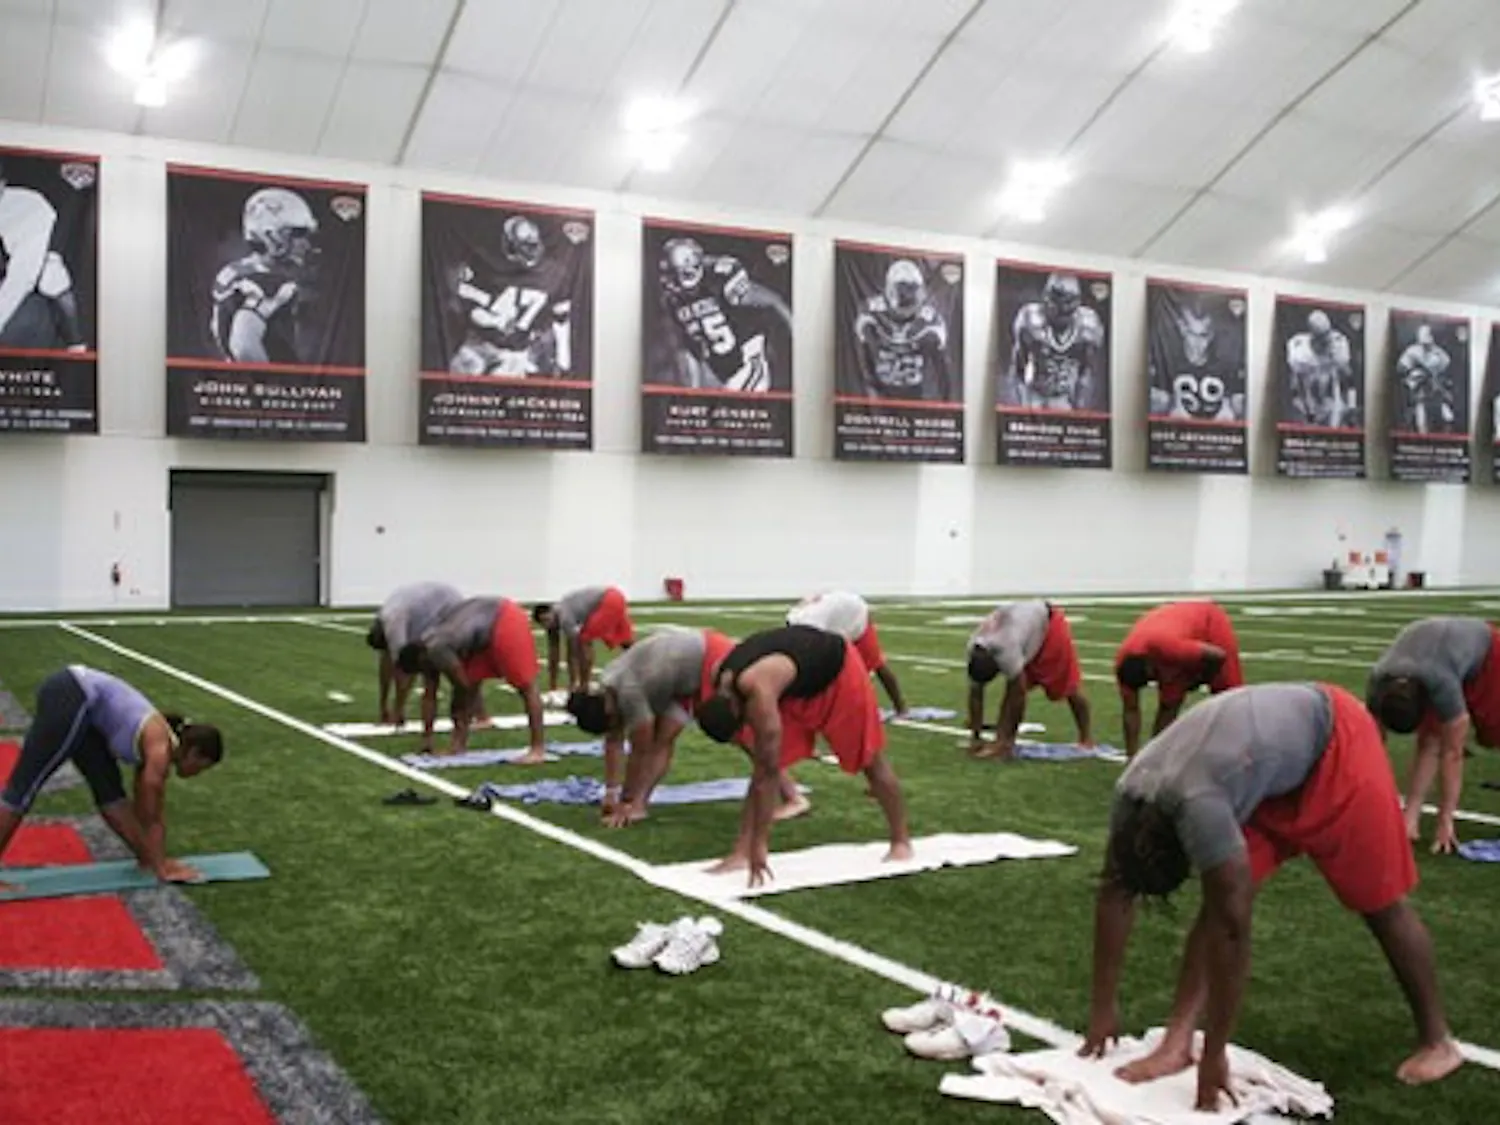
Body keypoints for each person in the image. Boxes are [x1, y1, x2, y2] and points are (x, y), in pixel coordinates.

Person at [1081, 682, 1464, 1108]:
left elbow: (1233, 929)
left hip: (1338, 745)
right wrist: (1102, 1008)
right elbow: (1113, 892)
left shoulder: (1200, 804)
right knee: (1216, 905)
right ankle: (1177, 1041)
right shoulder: (1130, 791)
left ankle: (1438, 1040)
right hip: (1263, 769)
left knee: (1381, 904)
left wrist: (1216, 1057)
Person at [694, 625, 913, 887]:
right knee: (762, 765)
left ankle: (901, 841)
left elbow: (769, 772)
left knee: (870, 760)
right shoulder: (723, 677)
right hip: (795, 683)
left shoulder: (758, 689)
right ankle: (741, 851)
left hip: (838, 671)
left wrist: (761, 846)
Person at [0, 666, 224, 892]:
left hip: (88, 714)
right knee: (22, 789)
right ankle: (154, 862)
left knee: (111, 794)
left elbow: (140, 808)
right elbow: (152, 817)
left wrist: (153, 859)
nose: (198, 773)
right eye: (202, 767)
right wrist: (163, 866)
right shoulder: (159, 748)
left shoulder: (154, 747)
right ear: (194, 753)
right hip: (72, 693)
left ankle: (146, 860)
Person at [566, 626, 807, 826]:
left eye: (617, 723)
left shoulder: (629, 693)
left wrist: (624, 801)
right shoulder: (608, 687)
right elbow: (613, 739)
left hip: (711, 659)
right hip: (678, 679)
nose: (620, 728)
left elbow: (640, 750)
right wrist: (610, 792)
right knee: (664, 738)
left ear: (610, 710)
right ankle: (640, 806)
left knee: (742, 735)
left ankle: (793, 797)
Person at [1365, 616, 1500, 855]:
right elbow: (1371, 750)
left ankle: (1431, 818)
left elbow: (1453, 755)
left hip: (1489, 652)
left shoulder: (1441, 682)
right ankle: (1409, 818)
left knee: (1491, 733)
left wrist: (1445, 821)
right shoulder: (1378, 681)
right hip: (1436, 645)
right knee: (1429, 738)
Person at [399, 596, 546, 761]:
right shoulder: (426, 651)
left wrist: (455, 711)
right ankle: (458, 746)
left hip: (504, 618)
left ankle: (537, 749)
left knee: (526, 685)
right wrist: (426, 738)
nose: (426, 674)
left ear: (421, 660)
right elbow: (429, 696)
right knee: (470, 685)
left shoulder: (436, 649)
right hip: (478, 635)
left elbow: (462, 686)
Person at [1114, 600, 1243, 758]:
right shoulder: (1124, 666)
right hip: (1172, 631)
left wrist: (1202, 677)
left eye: (1152, 678)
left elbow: (1218, 655)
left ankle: (1244, 754)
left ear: (1150, 664)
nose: (1155, 681)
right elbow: (1130, 710)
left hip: (1208, 622)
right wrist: (1131, 758)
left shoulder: (1170, 647)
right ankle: (1156, 758)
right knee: (1169, 704)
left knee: (1230, 699)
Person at [965, 600, 1092, 759]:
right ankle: (1000, 739)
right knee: (1011, 690)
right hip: (1027, 633)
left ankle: (1086, 738)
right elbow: (975, 695)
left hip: (1049, 626)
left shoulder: (1006, 648)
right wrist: (975, 738)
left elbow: (1018, 697)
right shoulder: (974, 646)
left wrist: (1008, 744)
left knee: (1069, 687)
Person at [365, 581, 476, 734]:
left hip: (448, 607)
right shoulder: (386, 616)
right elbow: (388, 660)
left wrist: (398, 709)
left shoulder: (394, 622)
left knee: (441, 664)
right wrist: (383, 707)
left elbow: (404, 669)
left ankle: (478, 713)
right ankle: (389, 709)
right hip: (425, 608)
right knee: (411, 660)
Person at [785, 590, 907, 716]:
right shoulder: (796, 619)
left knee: (876, 665)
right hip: (840, 616)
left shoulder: (809, 624)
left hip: (856, 616)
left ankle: (901, 708)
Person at [533, 586, 635, 694]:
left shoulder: (564, 618)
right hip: (615, 596)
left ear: (552, 611)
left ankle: (584, 686)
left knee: (584, 641)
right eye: (543, 623)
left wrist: (572, 683)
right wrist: (552, 685)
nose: (547, 624)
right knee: (626, 642)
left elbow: (572, 654)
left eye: (547, 619)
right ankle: (640, 668)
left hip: (607, 601)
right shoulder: (555, 617)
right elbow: (554, 653)